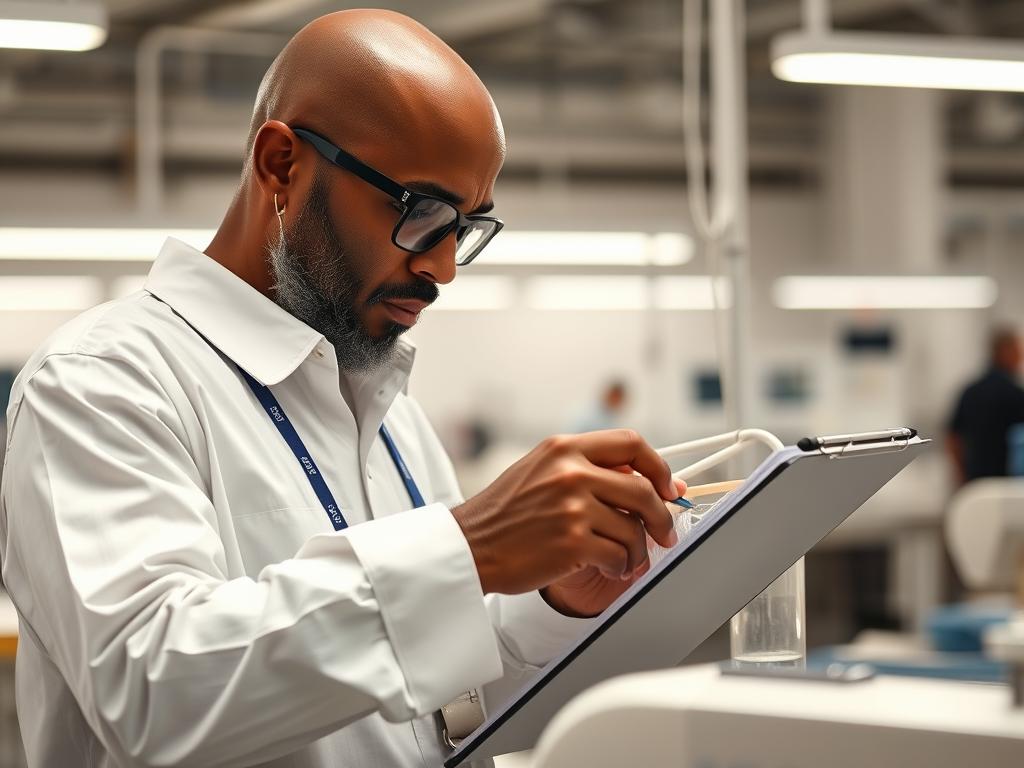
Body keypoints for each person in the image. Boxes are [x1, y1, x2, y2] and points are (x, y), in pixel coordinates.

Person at [0, 10, 684, 768]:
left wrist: (552, 604)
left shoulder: (386, 410)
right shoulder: (104, 382)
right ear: (282, 165)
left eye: (466, 227)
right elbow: (152, 692)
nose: (443, 267)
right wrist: (471, 547)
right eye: (422, 212)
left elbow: (434, 692)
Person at [947, 326, 1024, 484]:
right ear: (1005, 351)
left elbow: (952, 437)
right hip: (1008, 483)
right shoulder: (1015, 394)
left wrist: (961, 473)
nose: (1020, 357)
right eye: (1017, 351)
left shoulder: (970, 391)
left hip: (974, 480)